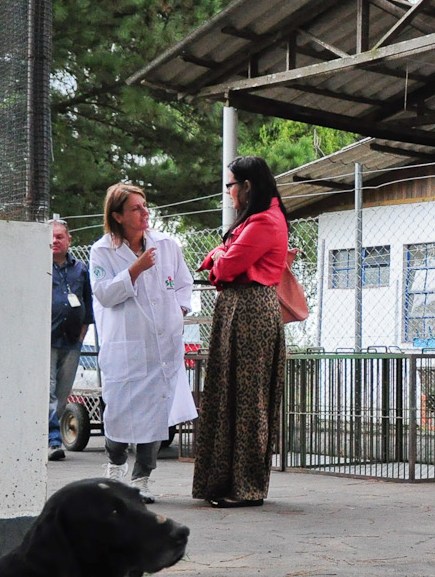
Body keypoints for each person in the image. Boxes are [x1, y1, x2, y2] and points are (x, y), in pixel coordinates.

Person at [88, 183, 196, 503]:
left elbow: (183, 283)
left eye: (145, 206)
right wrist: (134, 270)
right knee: (119, 410)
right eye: (136, 208)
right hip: (124, 345)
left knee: (155, 413)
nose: (144, 213)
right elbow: (104, 294)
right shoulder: (102, 251)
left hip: (162, 345)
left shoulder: (166, 245)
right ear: (118, 215)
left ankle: (142, 478)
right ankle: (116, 465)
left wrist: (178, 311)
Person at [192, 156, 290, 509]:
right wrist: (223, 255)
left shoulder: (265, 221)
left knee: (249, 400)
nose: (228, 192)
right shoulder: (257, 220)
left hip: (251, 310)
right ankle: (221, 482)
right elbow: (227, 259)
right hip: (238, 308)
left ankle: (247, 487)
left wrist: (220, 256)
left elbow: (229, 265)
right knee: (226, 395)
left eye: (230, 185)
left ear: (247, 186)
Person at [48, 219, 94, 462]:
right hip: (47, 339)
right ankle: (53, 440)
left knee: (62, 393)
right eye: (51, 237)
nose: (55, 241)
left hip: (72, 341)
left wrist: (83, 330)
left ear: (69, 240)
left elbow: (87, 303)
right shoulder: (39, 266)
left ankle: (47, 435)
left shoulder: (81, 268)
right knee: (48, 391)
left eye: (59, 237)